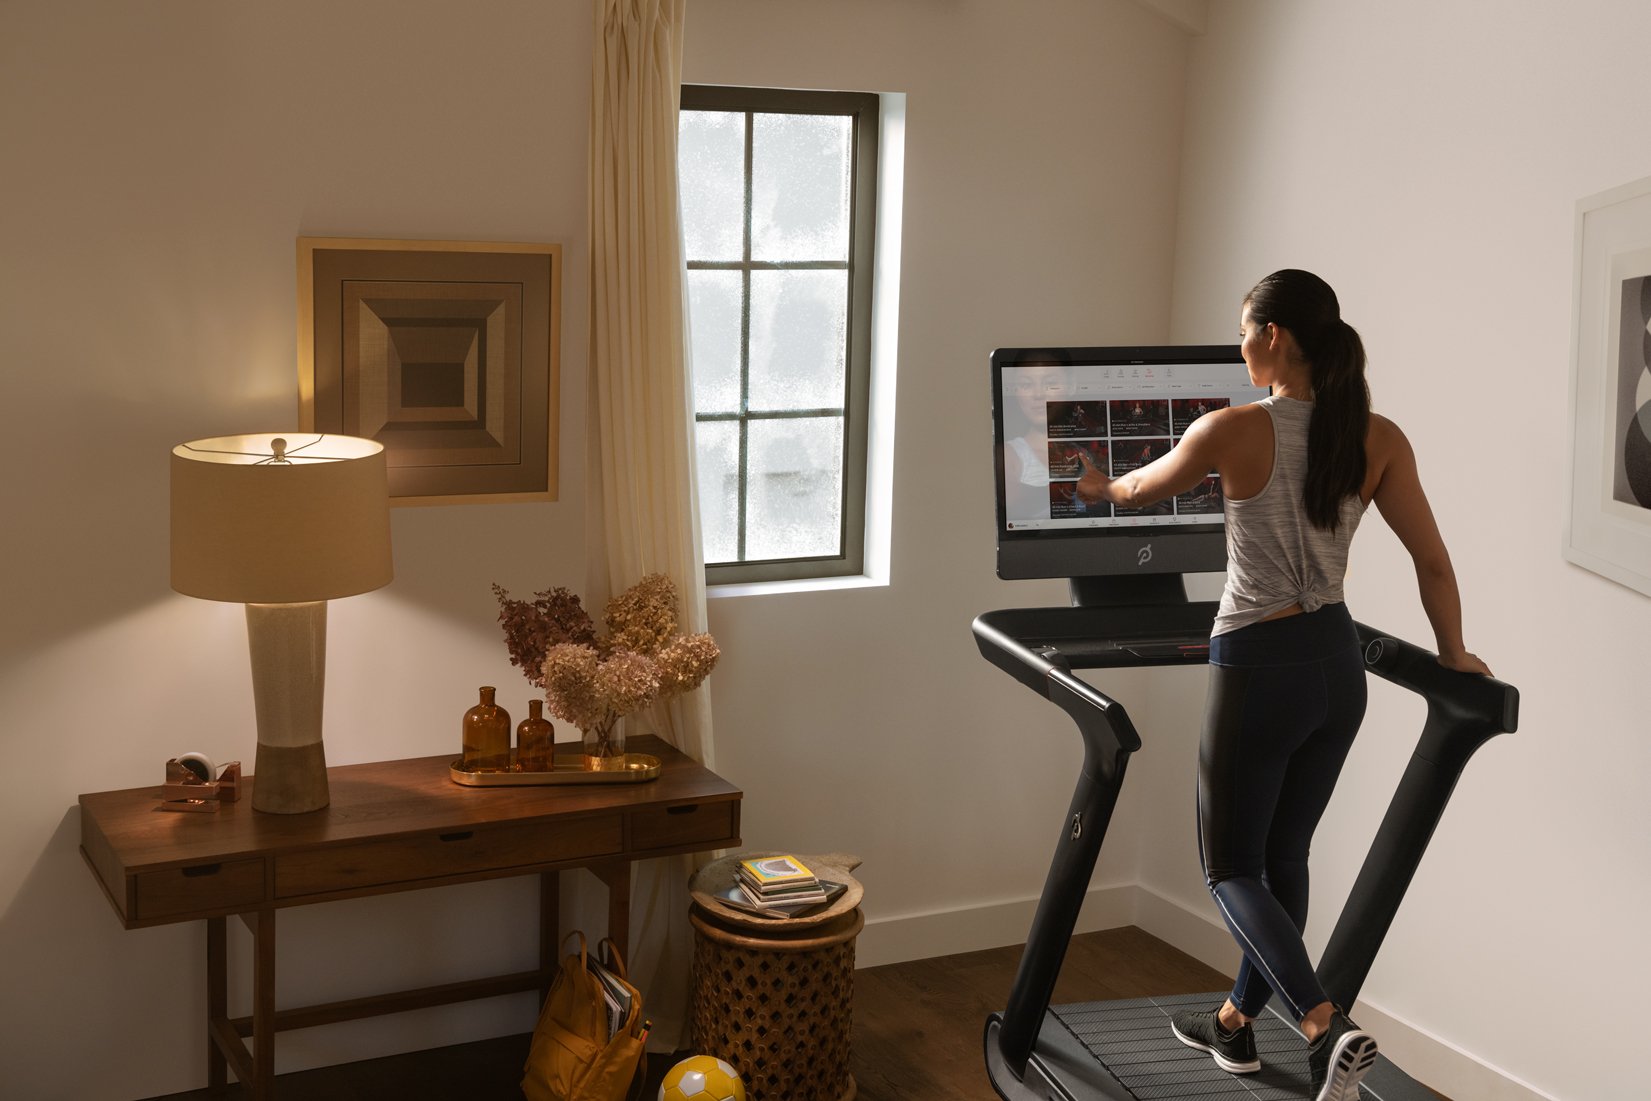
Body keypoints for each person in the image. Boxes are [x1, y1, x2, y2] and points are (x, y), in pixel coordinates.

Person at [1074, 269, 1489, 1101]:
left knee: (1229, 867)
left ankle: (1321, 1025)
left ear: (1272, 335)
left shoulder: (1230, 428)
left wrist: (1094, 486)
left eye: (1242, 332)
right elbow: (1433, 561)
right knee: (1283, 855)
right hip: (1335, 666)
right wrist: (1453, 652)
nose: (1239, 348)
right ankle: (1233, 1024)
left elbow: (1138, 489)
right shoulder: (1377, 436)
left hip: (1258, 663)